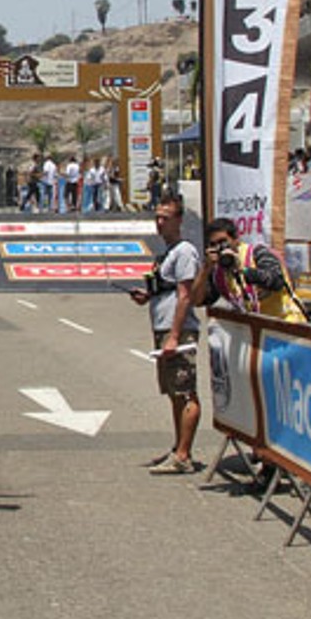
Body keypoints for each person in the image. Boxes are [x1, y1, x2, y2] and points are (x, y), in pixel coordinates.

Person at [130, 195, 201, 474]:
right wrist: (147, 295)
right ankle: (178, 447)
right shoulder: (168, 253)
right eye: (157, 217)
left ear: (179, 220)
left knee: (185, 390)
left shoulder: (184, 252)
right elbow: (168, 289)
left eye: (166, 218)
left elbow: (185, 296)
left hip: (179, 331)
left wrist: (174, 334)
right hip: (162, 327)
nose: (160, 223)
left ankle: (184, 455)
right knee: (173, 392)